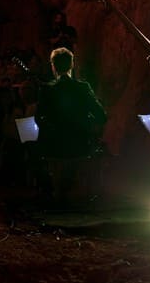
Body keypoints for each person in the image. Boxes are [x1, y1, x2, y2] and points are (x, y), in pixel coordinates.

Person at [35, 47, 107, 206]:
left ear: (53, 66)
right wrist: (87, 127)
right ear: (72, 65)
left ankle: (55, 195)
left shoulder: (47, 89)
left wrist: (52, 131)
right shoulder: (83, 88)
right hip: (80, 146)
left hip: (54, 148)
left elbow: (39, 118)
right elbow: (101, 115)